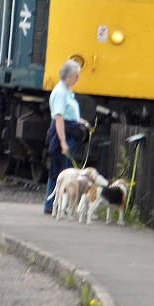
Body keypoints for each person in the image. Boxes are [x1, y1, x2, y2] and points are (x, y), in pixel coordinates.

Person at [44, 58, 89, 214]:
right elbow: (59, 118)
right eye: (77, 75)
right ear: (69, 76)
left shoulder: (67, 91)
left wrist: (80, 121)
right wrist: (63, 141)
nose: (78, 78)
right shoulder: (60, 92)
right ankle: (50, 205)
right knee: (60, 171)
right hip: (62, 134)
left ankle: (59, 206)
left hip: (70, 131)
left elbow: (68, 115)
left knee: (65, 170)